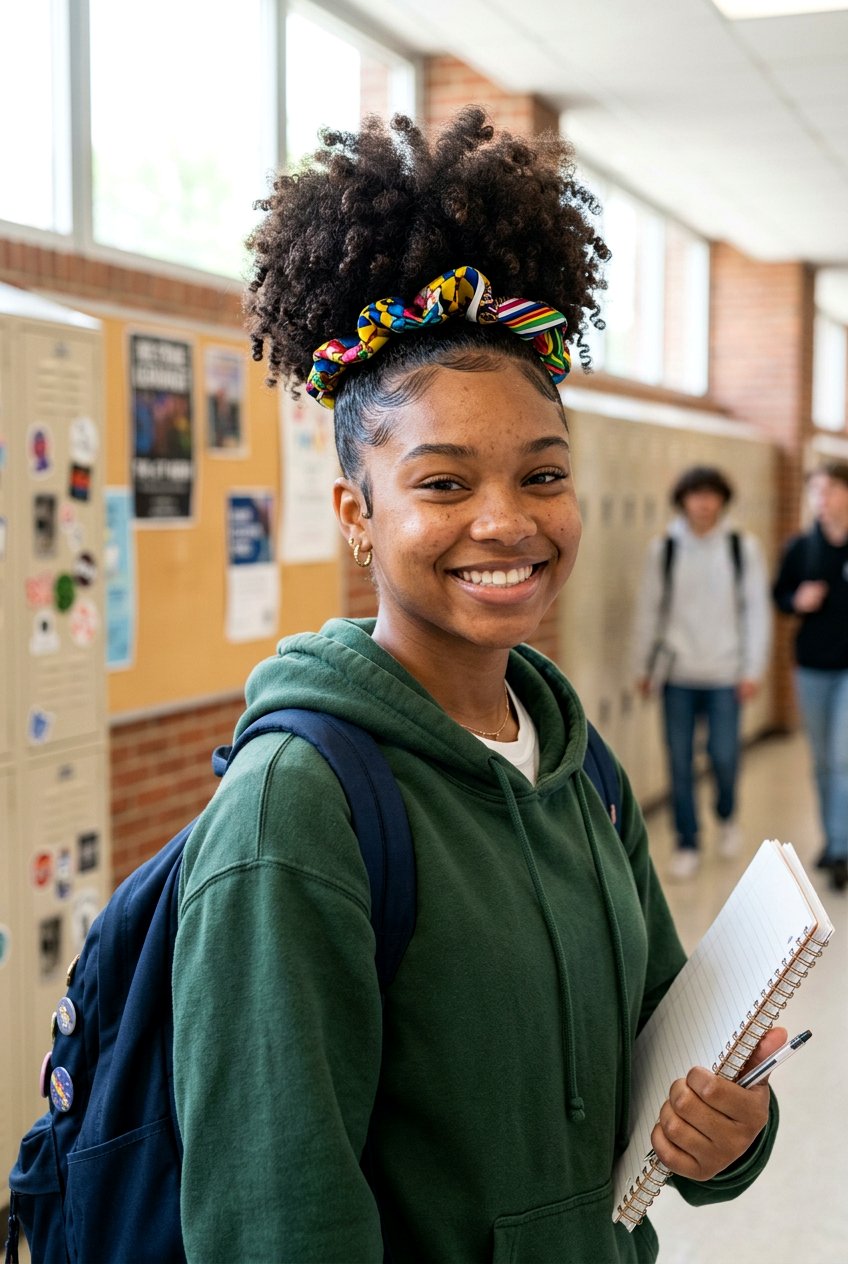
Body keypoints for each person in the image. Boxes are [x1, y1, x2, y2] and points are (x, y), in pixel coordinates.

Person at [172, 110, 782, 1264]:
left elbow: (668, 1057)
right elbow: (275, 1227)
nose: (506, 522)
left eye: (540, 473)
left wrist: (731, 1131)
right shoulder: (300, 810)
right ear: (358, 512)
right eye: (442, 483)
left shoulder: (576, 766)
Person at [633, 466, 771, 881]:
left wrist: (752, 669)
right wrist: (643, 666)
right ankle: (687, 841)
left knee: (725, 757)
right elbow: (648, 610)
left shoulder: (741, 547)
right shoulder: (666, 549)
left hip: (726, 673)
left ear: (722, 500)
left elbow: (756, 610)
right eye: (695, 495)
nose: (703, 503)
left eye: (711, 495)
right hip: (677, 673)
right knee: (678, 761)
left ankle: (727, 816)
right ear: (683, 500)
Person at [773, 460, 848, 893]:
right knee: (822, 761)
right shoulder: (802, 548)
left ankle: (840, 847)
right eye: (816, 491)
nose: (822, 498)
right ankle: (832, 836)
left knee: (841, 758)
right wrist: (796, 599)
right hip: (813, 666)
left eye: (831, 489)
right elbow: (779, 595)